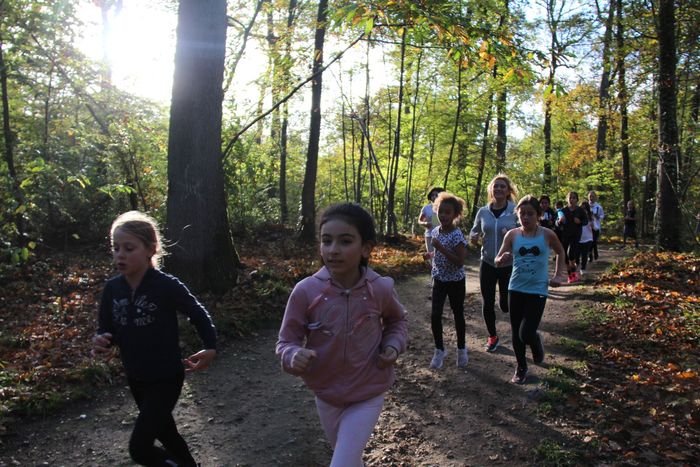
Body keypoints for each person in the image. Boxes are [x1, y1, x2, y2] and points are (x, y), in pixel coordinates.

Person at [277, 203, 408, 467]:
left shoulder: (379, 288)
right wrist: (293, 355)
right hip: (326, 394)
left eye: (345, 241)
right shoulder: (306, 291)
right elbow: (286, 341)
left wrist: (393, 347)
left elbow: (397, 320)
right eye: (327, 241)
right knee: (348, 458)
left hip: (369, 390)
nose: (333, 250)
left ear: (366, 248)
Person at [91, 211, 216, 467]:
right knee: (165, 432)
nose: (120, 254)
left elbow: (198, 314)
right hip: (136, 377)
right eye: (115, 248)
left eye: (128, 248)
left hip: (166, 377)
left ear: (150, 249)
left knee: (139, 449)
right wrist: (102, 341)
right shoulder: (112, 289)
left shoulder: (166, 286)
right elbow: (108, 328)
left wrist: (210, 347)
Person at [495, 195, 567, 384]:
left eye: (530, 214)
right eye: (522, 214)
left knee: (525, 332)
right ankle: (521, 367)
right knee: (515, 332)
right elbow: (497, 257)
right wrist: (501, 259)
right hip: (516, 287)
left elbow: (560, 251)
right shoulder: (512, 235)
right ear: (517, 214)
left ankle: (535, 340)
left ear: (539, 215)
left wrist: (559, 275)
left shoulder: (547, 234)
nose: (525, 217)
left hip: (538, 289)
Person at [469, 175, 519, 353]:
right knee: (487, 301)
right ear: (491, 190)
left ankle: (510, 315)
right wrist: (473, 238)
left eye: (502, 187)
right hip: (488, 262)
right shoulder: (483, 212)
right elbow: (474, 232)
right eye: (496, 186)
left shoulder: (515, 211)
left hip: (508, 264)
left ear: (508, 191)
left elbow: (524, 233)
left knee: (506, 304)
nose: (498, 189)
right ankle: (492, 336)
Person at [424, 191, 469, 369]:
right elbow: (438, 252)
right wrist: (430, 254)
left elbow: (459, 261)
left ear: (455, 214)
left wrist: (440, 248)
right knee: (435, 315)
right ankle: (439, 349)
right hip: (439, 279)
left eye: (448, 212)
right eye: (441, 211)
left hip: (456, 281)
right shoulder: (435, 231)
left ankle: (461, 348)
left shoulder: (458, 235)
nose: (443, 215)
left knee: (458, 315)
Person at [556, 191, 587, 283]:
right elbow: (556, 223)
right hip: (565, 235)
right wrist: (559, 221)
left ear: (577, 200)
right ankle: (570, 275)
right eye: (570, 198)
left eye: (574, 198)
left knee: (571, 254)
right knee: (565, 256)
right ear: (567, 199)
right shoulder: (563, 211)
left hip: (576, 234)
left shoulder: (580, 210)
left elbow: (586, 221)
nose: (572, 199)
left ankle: (574, 274)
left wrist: (580, 222)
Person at [418, 187, 445, 254]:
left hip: (443, 235)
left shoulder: (445, 207)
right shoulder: (426, 208)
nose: (434, 197)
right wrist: (425, 223)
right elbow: (419, 220)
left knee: (441, 255)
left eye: (436, 195)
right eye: (432, 195)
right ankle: (428, 263)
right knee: (431, 255)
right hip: (429, 235)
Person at [578, 201, 594, 275]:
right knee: (577, 255)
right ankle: (576, 264)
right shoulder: (577, 216)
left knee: (584, 254)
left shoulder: (590, 217)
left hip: (588, 238)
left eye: (585, 208)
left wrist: (593, 225)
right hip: (578, 238)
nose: (583, 210)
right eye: (582, 208)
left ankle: (583, 268)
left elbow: (594, 227)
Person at [587, 191, 605, 261]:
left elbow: (602, 216)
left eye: (593, 196)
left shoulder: (598, 207)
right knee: (590, 241)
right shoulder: (586, 206)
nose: (591, 198)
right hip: (588, 227)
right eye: (590, 196)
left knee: (594, 241)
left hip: (596, 226)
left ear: (595, 198)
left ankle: (595, 252)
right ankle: (591, 254)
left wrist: (597, 216)